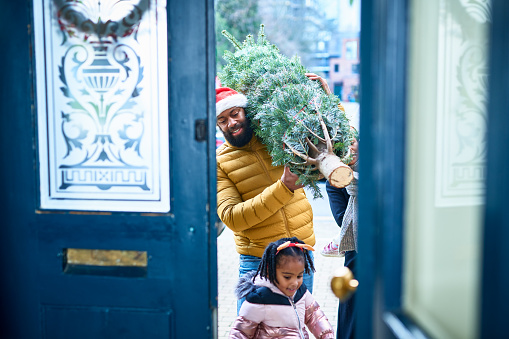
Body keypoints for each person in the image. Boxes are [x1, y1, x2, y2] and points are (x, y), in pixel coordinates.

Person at [215, 86, 316, 314]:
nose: (231, 122)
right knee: (251, 331)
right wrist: (284, 188)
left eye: (235, 114)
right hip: (258, 262)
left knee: (297, 328)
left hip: (300, 256)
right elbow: (232, 218)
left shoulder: (278, 138)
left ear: (246, 112)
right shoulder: (219, 162)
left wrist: (325, 97)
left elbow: (326, 136)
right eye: (222, 120)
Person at [229, 237, 334, 339]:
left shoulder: (301, 292)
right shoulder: (260, 299)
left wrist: (327, 335)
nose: (294, 283)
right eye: (287, 277)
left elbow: (315, 317)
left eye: (299, 276)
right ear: (270, 272)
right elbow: (240, 332)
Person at [322, 128, 359, 339]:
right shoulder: (336, 178)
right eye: (345, 144)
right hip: (355, 248)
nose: (350, 147)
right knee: (352, 310)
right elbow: (341, 218)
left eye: (354, 142)